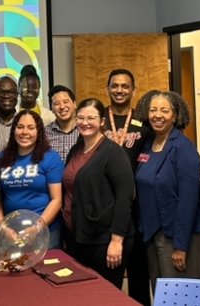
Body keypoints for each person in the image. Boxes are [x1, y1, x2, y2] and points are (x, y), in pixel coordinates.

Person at [134, 90, 200, 291]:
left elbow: (188, 199)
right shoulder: (149, 145)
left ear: (175, 116)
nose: (158, 115)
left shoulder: (183, 147)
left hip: (178, 235)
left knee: (179, 296)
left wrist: (180, 245)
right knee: (160, 293)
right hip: (153, 232)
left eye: (164, 110)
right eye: (153, 110)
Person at [62, 98, 135, 290]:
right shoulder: (76, 149)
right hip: (78, 237)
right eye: (81, 117)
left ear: (102, 121)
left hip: (104, 240)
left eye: (91, 118)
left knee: (105, 295)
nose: (85, 122)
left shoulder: (113, 153)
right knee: (82, 294)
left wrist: (116, 241)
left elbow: (124, 198)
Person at [104, 68, 152, 306]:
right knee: (108, 269)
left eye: (125, 86)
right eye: (115, 86)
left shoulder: (145, 120)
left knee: (139, 271)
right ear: (107, 89)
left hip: (138, 205)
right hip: (106, 203)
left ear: (133, 90)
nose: (119, 90)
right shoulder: (98, 118)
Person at [0, 110, 64, 248]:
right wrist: (2, 226)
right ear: (13, 130)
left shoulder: (50, 157)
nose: (24, 132)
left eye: (31, 128)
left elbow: (57, 200)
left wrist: (37, 227)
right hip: (10, 232)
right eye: (20, 127)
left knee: (45, 269)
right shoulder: (0, 158)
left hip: (45, 230)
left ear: (39, 132)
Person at [45, 85, 80, 163]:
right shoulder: (44, 134)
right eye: (57, 103)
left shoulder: (85, 129)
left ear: (74, 104)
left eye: (65, 102)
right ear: (52, 108)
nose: (62, 107)